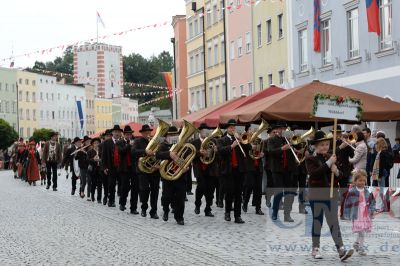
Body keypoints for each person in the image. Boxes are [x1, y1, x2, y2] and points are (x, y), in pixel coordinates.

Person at [305, 130, 354, 261]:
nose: (325, 147)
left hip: (331, 194)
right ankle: (315, 249)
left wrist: (336, 171)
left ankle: (341, 249)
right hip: (316, 195)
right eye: (321, 145)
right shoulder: (310, 159)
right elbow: (314, 173)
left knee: (333, 222)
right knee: (318, 221)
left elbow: (341, 175)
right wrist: (328, 164)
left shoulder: (330, 157)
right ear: (315, 146)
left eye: (326, 144)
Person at [267, 121, 297, 222]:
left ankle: (287, 214)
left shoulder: (289, 140)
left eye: (283, 129)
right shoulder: (271, 140)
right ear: (276, 130)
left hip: (289, 169)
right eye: (280, 128)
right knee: (279, 192)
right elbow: (270, 152)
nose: (282, 130)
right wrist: (282, 148)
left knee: (289, 193)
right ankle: (275, 213)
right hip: (277, 170)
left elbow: (299, 147)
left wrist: (293, 143)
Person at [217, 119, 245, 224]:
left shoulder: (240, 140)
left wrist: (241, 140)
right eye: (231, 127)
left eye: (234, 127)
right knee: (229, 193)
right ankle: (227, 212)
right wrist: (231, 146)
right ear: (227, 129)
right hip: (227, 170)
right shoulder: (221, 140)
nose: (233, 129)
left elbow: (248, 148)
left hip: (239, 170)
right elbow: (220, 151)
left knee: (238, 194)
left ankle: (238, 216)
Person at [157, 126, 187, 225]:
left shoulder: (181, 146)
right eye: (171, 135)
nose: (173, 136)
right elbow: (158, 154)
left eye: (175, 134)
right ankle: (166, 211)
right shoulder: (163, 146)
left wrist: (186, 167)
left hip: (180, 175)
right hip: (167, 176)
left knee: (180, 197)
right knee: (167, 196)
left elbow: (187, 158)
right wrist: (169, 154)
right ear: (166, 136)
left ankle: (179, 217)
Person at [344, 169, 376, 256]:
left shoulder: (367, 191)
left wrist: (372, 211)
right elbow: (347, 203)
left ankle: (357, 244)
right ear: (355, 181)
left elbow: (372, 202)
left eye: (364, 181)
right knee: (361, 230)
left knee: (362, 230)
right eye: (360, 180)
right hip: (357, 213)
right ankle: (360, 247)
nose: (362, 182)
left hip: (365, 213)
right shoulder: (352, 191)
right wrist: (347, 214)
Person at [132, 124, 160, 218]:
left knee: (155, 191)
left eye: (149, 132)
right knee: (144, 190)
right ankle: (144, 209)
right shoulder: (138, 141)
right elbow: (133, 152)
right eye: (146, 132)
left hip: (154, 169)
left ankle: (154, 211)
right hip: (143, 170)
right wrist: (145, 151)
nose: (148, 134)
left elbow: (161, 152)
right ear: (142, 133)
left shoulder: (155, 141)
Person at [191, 123, 215, 217]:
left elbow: (217, 156)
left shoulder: (213, 141)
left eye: (207, 131)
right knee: (201, 188)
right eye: (204, 131)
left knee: (210, 190)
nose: (205, 132)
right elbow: (191, 154)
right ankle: (197, 205)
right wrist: (199, 153)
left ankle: (208, 209)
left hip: (210, 169)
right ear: (200, 132)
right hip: (199, 168)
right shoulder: (195, 142)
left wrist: (215, 151)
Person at [242, 124, 264, 215]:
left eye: (254, 129)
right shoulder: (244, 139)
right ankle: (245, 203)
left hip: (258, 166)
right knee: (249, 186)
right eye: (251, 129)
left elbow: (262, 150)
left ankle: (258, 208)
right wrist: (251, 146)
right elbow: (244, 149)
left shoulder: (259, 140)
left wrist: (262, 154)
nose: (254, 131)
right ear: (247, 131)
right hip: (249, 166)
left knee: (258, 188)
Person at [101, 125, 124, 208]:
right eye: (115, 132)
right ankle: (111, 201)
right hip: (111, 167)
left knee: (122, 185)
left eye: (118, 132)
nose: (117, 133)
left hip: (121, 167)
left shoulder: (122, 142)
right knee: (111, 185)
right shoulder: (106, 143)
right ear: (112, 133)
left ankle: (122, 203)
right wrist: (104, 167)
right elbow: (103, 156)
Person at [371, 137, 393, 212]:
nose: (375, 145)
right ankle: (381, 206)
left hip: (381, 173)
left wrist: (379, 175)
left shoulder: (382, 153)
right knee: (380, 190)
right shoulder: (382, 152)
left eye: (377, 143)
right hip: (382, 173)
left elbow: (382, 165)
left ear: (380, 144)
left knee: (381, 190)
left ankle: (382, 207)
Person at [117, 125, 135, 212]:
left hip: (133, 167)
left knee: (135, 187)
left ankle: (133, 207)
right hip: (124, 168)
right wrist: (128, 145)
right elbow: (121, 151)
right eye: (127, 134)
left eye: (130, 134)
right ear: (124, 135)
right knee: (125, 187)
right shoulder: (119, 142)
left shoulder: (133, 142)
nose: (129, 136)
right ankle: (122, 203)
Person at [87, 138, 102, 203]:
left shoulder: (101, 151)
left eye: (98, 143)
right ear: (93, 144)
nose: (96, 144)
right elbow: (87, 160)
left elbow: (104, 159)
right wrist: (93, 159)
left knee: (100, 184)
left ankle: (99, 198)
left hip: (100, 169)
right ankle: (92, 196)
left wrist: (100, 160)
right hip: (93, 170)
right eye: (95, 143)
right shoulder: (90, 152)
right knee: (93, 184)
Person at [99, 129, 112, 205]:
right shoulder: (101, 145)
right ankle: (105, 195)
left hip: (112, 167)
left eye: (110, 136)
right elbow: (101, 156)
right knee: (105, 183)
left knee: (111, 184)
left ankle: (110, 197)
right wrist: (104, 167)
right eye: (107, 136)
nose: (109, 137)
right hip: (103, 167)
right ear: (104, 137)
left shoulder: (113, 144)